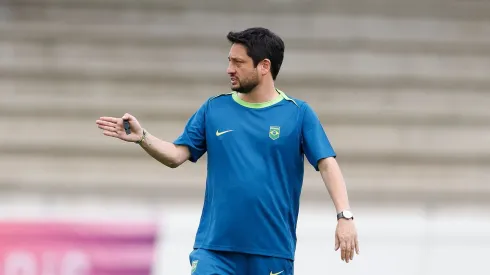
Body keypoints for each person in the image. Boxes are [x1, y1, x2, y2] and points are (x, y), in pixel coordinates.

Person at [96, 27, 359, 275]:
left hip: (271, 250)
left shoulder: (298, 114)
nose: (229, 69)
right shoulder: (214, 109)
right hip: (214, 249)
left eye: (238, 63)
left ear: (264, 66)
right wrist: (143, 137)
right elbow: (177, 155)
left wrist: (344, 216)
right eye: (229, 60)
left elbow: (327, 163)